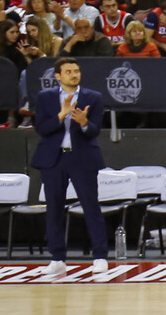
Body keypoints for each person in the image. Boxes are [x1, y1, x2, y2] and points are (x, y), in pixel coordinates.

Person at [33, 57, 110, 281]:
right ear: (58, 76)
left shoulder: (93, 97)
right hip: (54, 159)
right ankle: (57, 259)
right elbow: (41, 128)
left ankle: (100, 256)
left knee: (91, 206)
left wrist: (84, 122)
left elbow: (95, 130)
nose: (74, 75)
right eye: (68, 71)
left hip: (82, 158)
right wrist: (61, 115)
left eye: (76, 71)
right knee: (54, 208)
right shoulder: (45, 97)